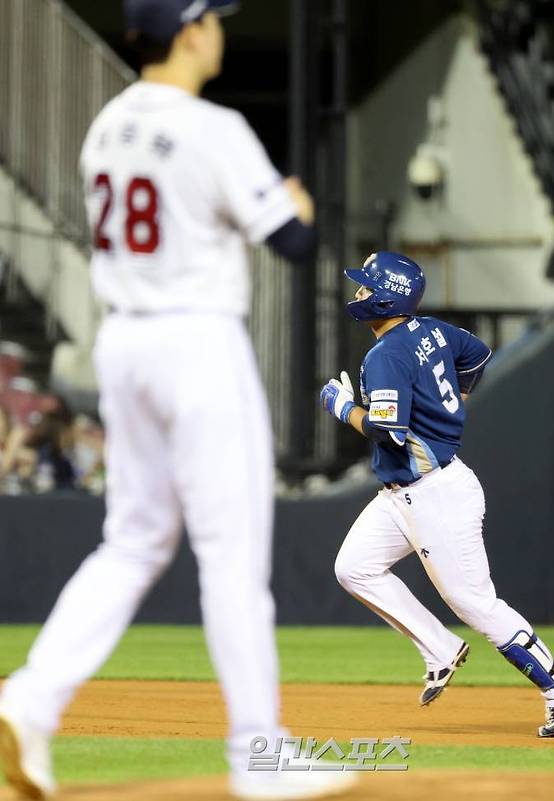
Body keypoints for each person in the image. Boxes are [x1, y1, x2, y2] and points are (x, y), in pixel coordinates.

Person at [0, 2, 353, 799]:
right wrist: (295, 206)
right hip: (196, 341)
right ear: (191, 30)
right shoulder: (211, 127)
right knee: (231, 553)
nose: (222, 29)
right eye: (214, 17)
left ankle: (29, 701)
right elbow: (293, 243)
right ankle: (260, 753)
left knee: (130, 543)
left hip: (126, 341)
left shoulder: (104, 128)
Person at [320, 251, 554, 739]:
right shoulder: (432, 331)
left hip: (434, 493)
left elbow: (388, 430)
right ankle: (439, 648)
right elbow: (478, 353)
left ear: (387, 296)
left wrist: (343, 409)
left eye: (366, 286)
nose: (358, 293)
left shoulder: (386, 355)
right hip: (405, 493)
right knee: (353, 567)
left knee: (474, 602)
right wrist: (456, 400)